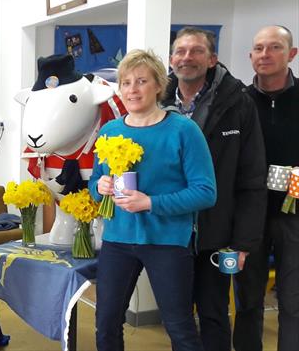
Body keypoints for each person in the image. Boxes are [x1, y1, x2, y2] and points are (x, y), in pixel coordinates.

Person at [88, 49, 216, 351]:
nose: (132, 89)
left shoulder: (184, 130)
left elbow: (206, 192)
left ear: (159, 85)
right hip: (118, 241)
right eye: (126, 82)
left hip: (168, 242)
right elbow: (94, 183)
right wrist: (101, 186)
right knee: (106, 323)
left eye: (141, 81)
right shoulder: (110, 130)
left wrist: (150, 203)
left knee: (179, 327)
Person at [161, 26, 267, 351]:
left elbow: (251, 179)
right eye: (180, 51)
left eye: (196, 51)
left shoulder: (239, 105)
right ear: (171, 59)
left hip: (217, 236)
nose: (187, 57)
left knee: (214, 315)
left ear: (212, 59)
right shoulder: (156, 102)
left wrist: (243, 243)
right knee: (177, 318)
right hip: (170, 235)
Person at [243, 25, 299, 351]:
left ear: (291, 54)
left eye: (275, 47)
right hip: (250, 215)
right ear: (251, 56)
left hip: (294, 215)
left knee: (293, 299)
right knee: (249, 296)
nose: (265, 55)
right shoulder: (238, 103)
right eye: (259, 48)